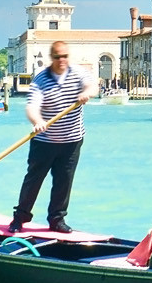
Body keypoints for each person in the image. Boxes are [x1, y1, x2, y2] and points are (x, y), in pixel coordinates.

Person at [10, 41, 97, 234]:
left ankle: (57, 219)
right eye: (58, 57)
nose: (62, 60)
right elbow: (32, 107)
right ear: (52, 58)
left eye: (65, 56)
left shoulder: (78, 73)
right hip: (44, 141)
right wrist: (37, 121)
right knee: (33, 180)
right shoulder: (41, 79)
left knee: (64, 180)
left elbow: (92, 86)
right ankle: (20, 217)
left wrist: (86, 93)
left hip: (72, 140)